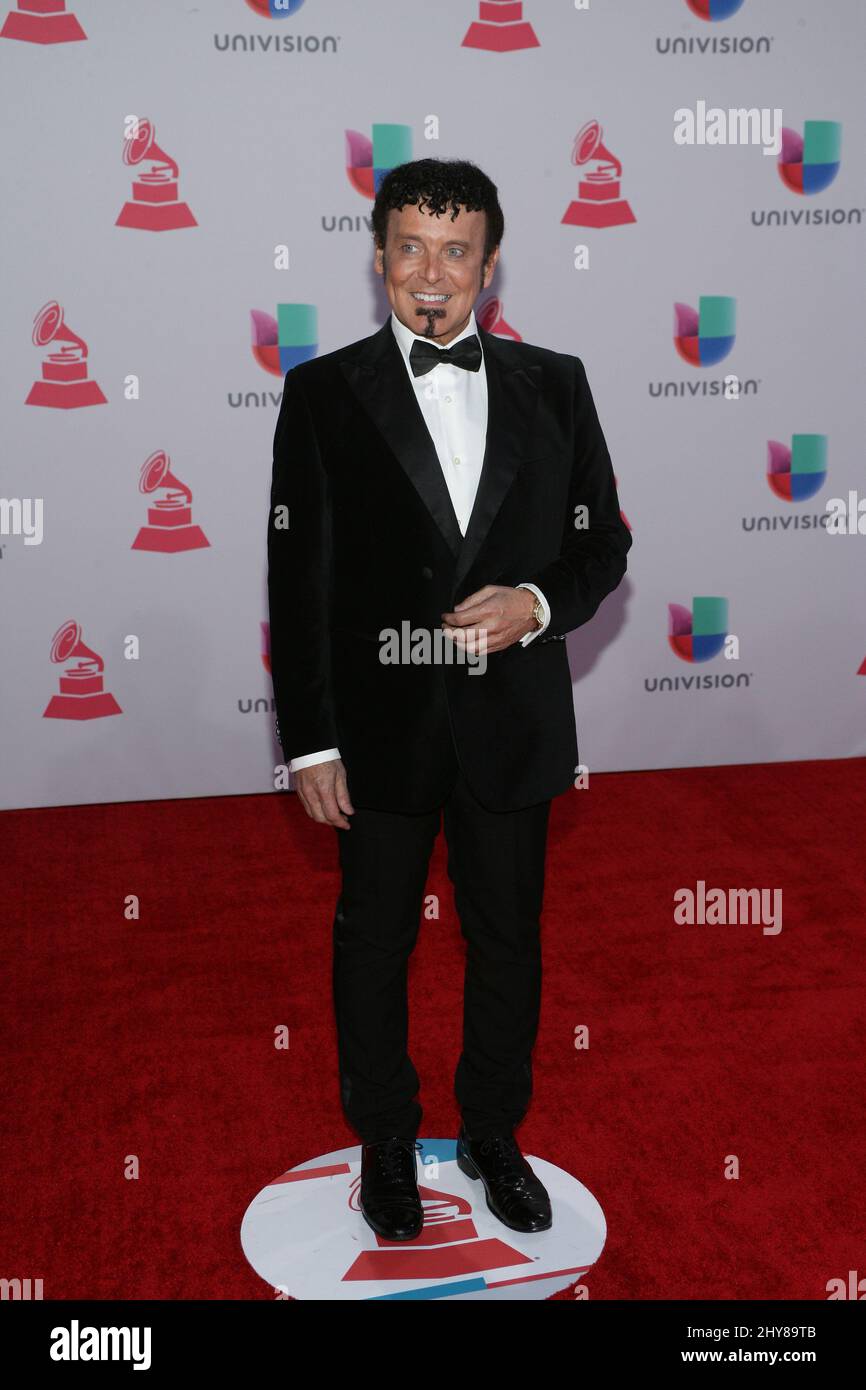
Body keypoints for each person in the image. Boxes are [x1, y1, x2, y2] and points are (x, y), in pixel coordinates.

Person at [267, 158, 631, 1242]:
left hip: (512, 721)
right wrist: (311, 741)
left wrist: (533, 600)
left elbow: (601, 543)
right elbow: (300, 581)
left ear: (488, 262)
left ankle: (491, 1134)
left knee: (507, 937)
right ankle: (384, 1138)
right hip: (378, 731)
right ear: (378, 258)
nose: (433, 274)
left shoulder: (555, 383)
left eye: (456, 249)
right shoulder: (323, 393)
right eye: (411, 250)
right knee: (373, 938)